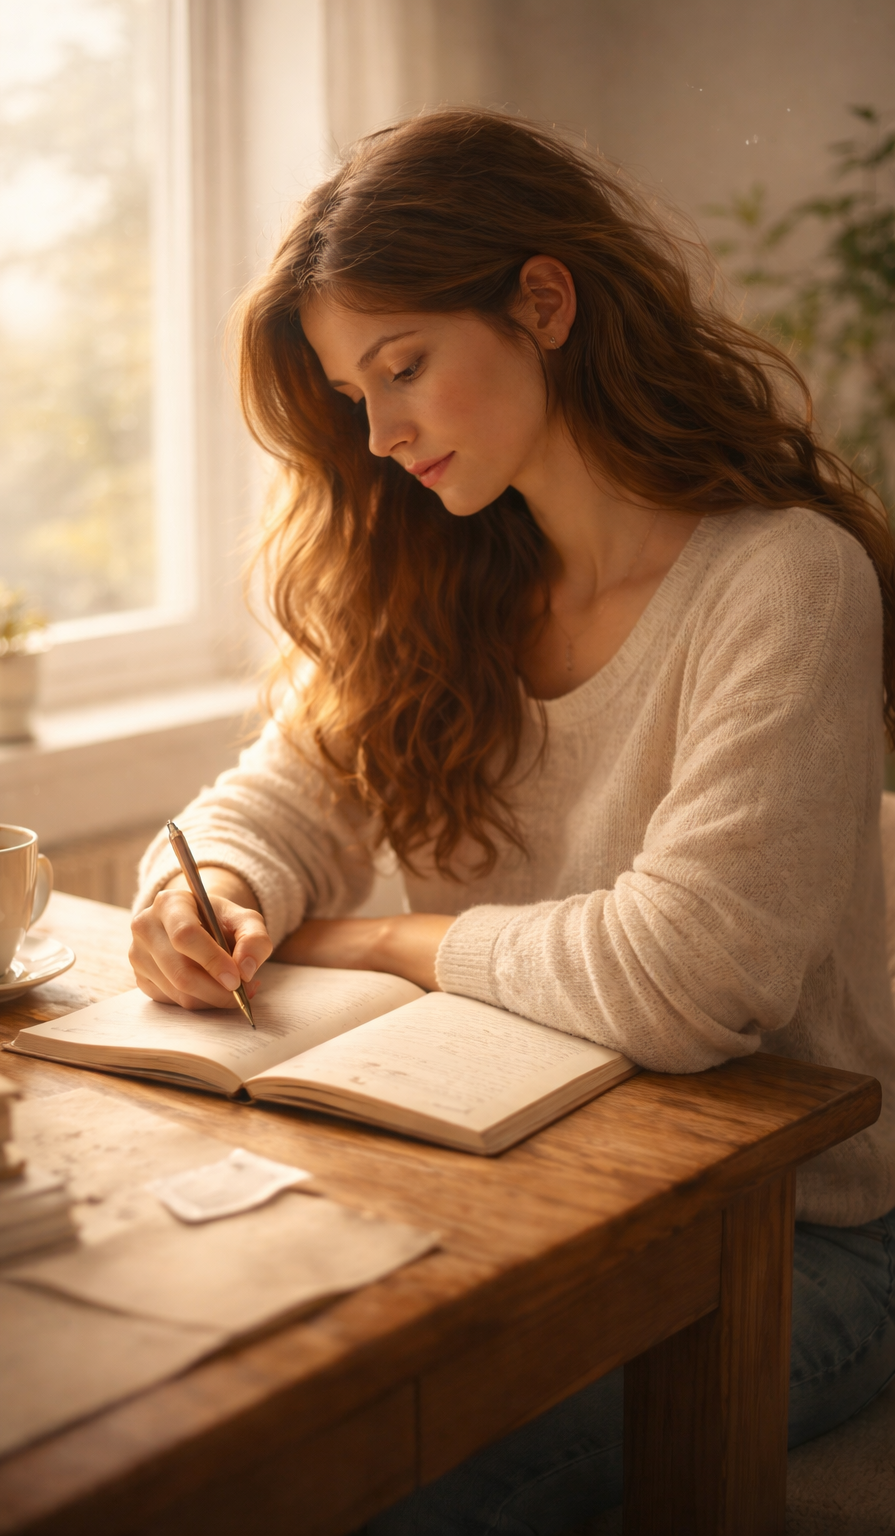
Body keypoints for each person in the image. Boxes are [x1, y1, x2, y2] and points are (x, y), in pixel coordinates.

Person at [129, 110, 895, 1533]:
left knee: (386, 1487)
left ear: (543, 303)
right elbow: (272, 805)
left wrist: (387, 940)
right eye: (356, 394)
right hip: (513, 1191)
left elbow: (688, 977)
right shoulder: (437, 577)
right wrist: (215, 887)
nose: (381, 432)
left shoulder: (788, 582)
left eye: (403, 367)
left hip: (798, 1237)